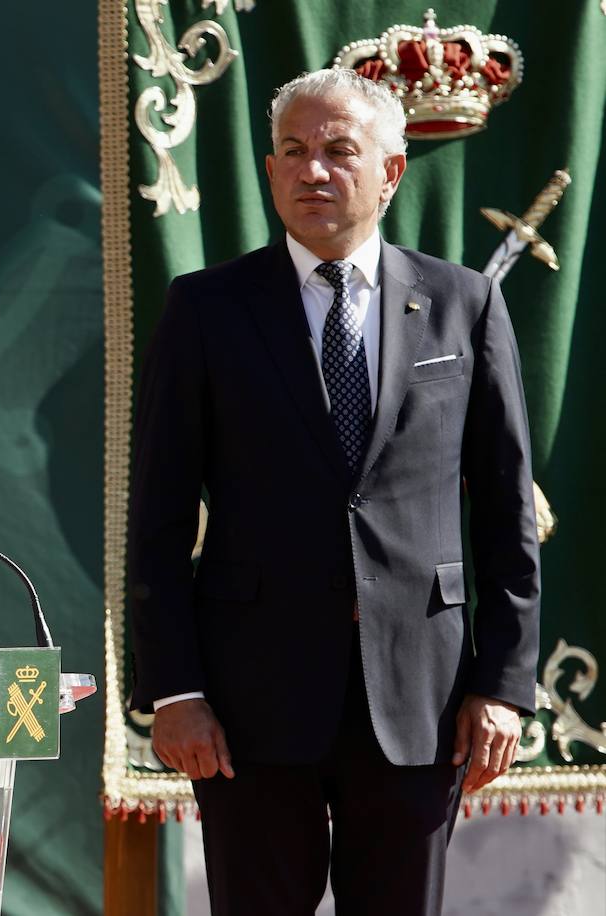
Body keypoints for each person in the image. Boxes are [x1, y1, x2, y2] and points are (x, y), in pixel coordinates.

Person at [128, 69, 540, 916]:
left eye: (338, 151)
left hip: (420, 703)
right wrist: (175, 690)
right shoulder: (206, 309)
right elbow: (159, 519)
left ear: (390, 172)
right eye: (293, 152)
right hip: (247, 708)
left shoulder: (465, 303)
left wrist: (502, 684)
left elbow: (506, 511)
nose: (313, 170)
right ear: (271, 171)